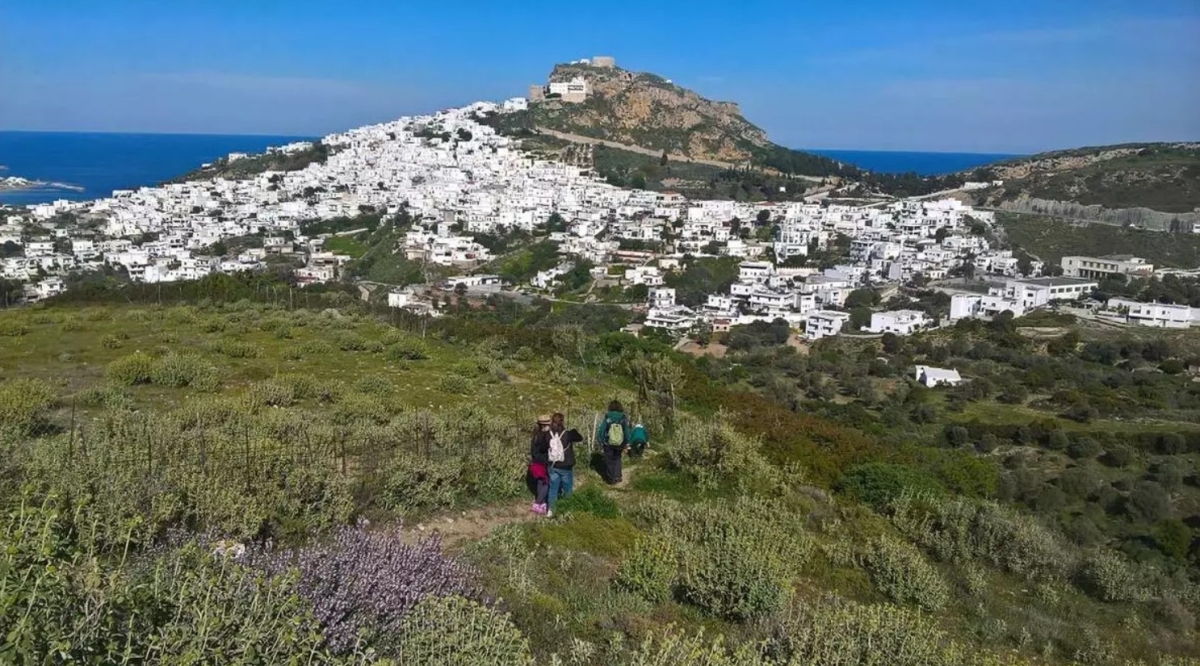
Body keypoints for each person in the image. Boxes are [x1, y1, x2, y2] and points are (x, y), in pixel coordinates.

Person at [546, 412, 582, 518]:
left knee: (553, 489)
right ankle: (568, 509)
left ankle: (551, 510)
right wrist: (573, 430)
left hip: (553, 465)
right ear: (562, 421)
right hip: (566, 466)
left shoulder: (548, 435)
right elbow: (580, 438)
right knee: (567, 489)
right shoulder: (568, 434)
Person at [596, 400, 631, 485]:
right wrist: (628, 442)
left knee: (609, 460)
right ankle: (618, 476)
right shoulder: (623, 417)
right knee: (617, 458)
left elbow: (602, 430)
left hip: (608, 443)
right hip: (620, 443)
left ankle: (611, 478)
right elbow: (626, 430)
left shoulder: (608, 417)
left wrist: (600, 440)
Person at [529, 414, 551, 514]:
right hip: (544, 462)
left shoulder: (536, 435)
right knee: (547, 482)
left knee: (539, 482)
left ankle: (541, 503)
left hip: (535, 461)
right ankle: (538, 503)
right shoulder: (547, 436)